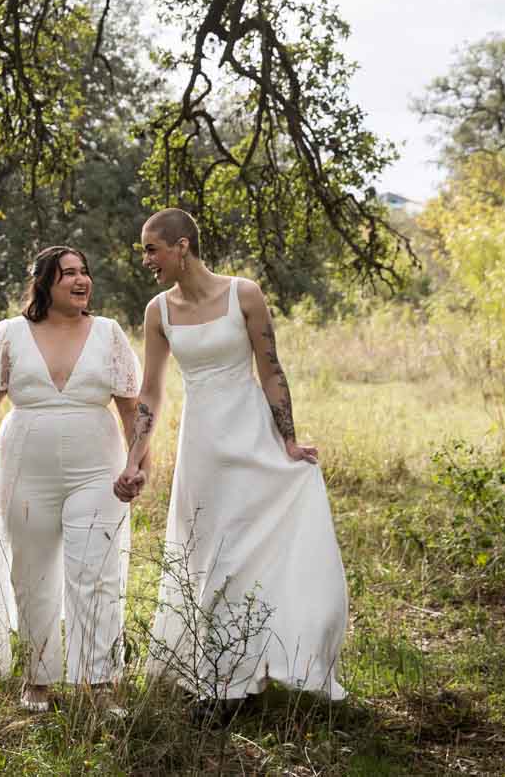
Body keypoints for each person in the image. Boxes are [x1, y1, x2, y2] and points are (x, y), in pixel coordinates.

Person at [113, 208, 347, 701]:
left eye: (151, 248)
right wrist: (135, 457)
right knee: (211, 554)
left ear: (182, 246)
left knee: (254, 548)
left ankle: (253, 669)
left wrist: (288, 439)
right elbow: (151, 392)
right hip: (203, 449)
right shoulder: (159, 310)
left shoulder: (244, 293)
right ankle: (221, 677)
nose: (146, 260)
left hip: (252, 437)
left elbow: (271, 369)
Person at [0, 245, 144, 712]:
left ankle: (101, 683)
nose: (80, 280)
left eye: (84, 271)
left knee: (96, 572)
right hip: (26, 467)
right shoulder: (11, 333)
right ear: (45, 283)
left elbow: (132, 408)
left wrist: (136, 464)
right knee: (32, 571)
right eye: (68, 273)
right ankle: (37, 678)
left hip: (97, 470)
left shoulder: (109, 333)